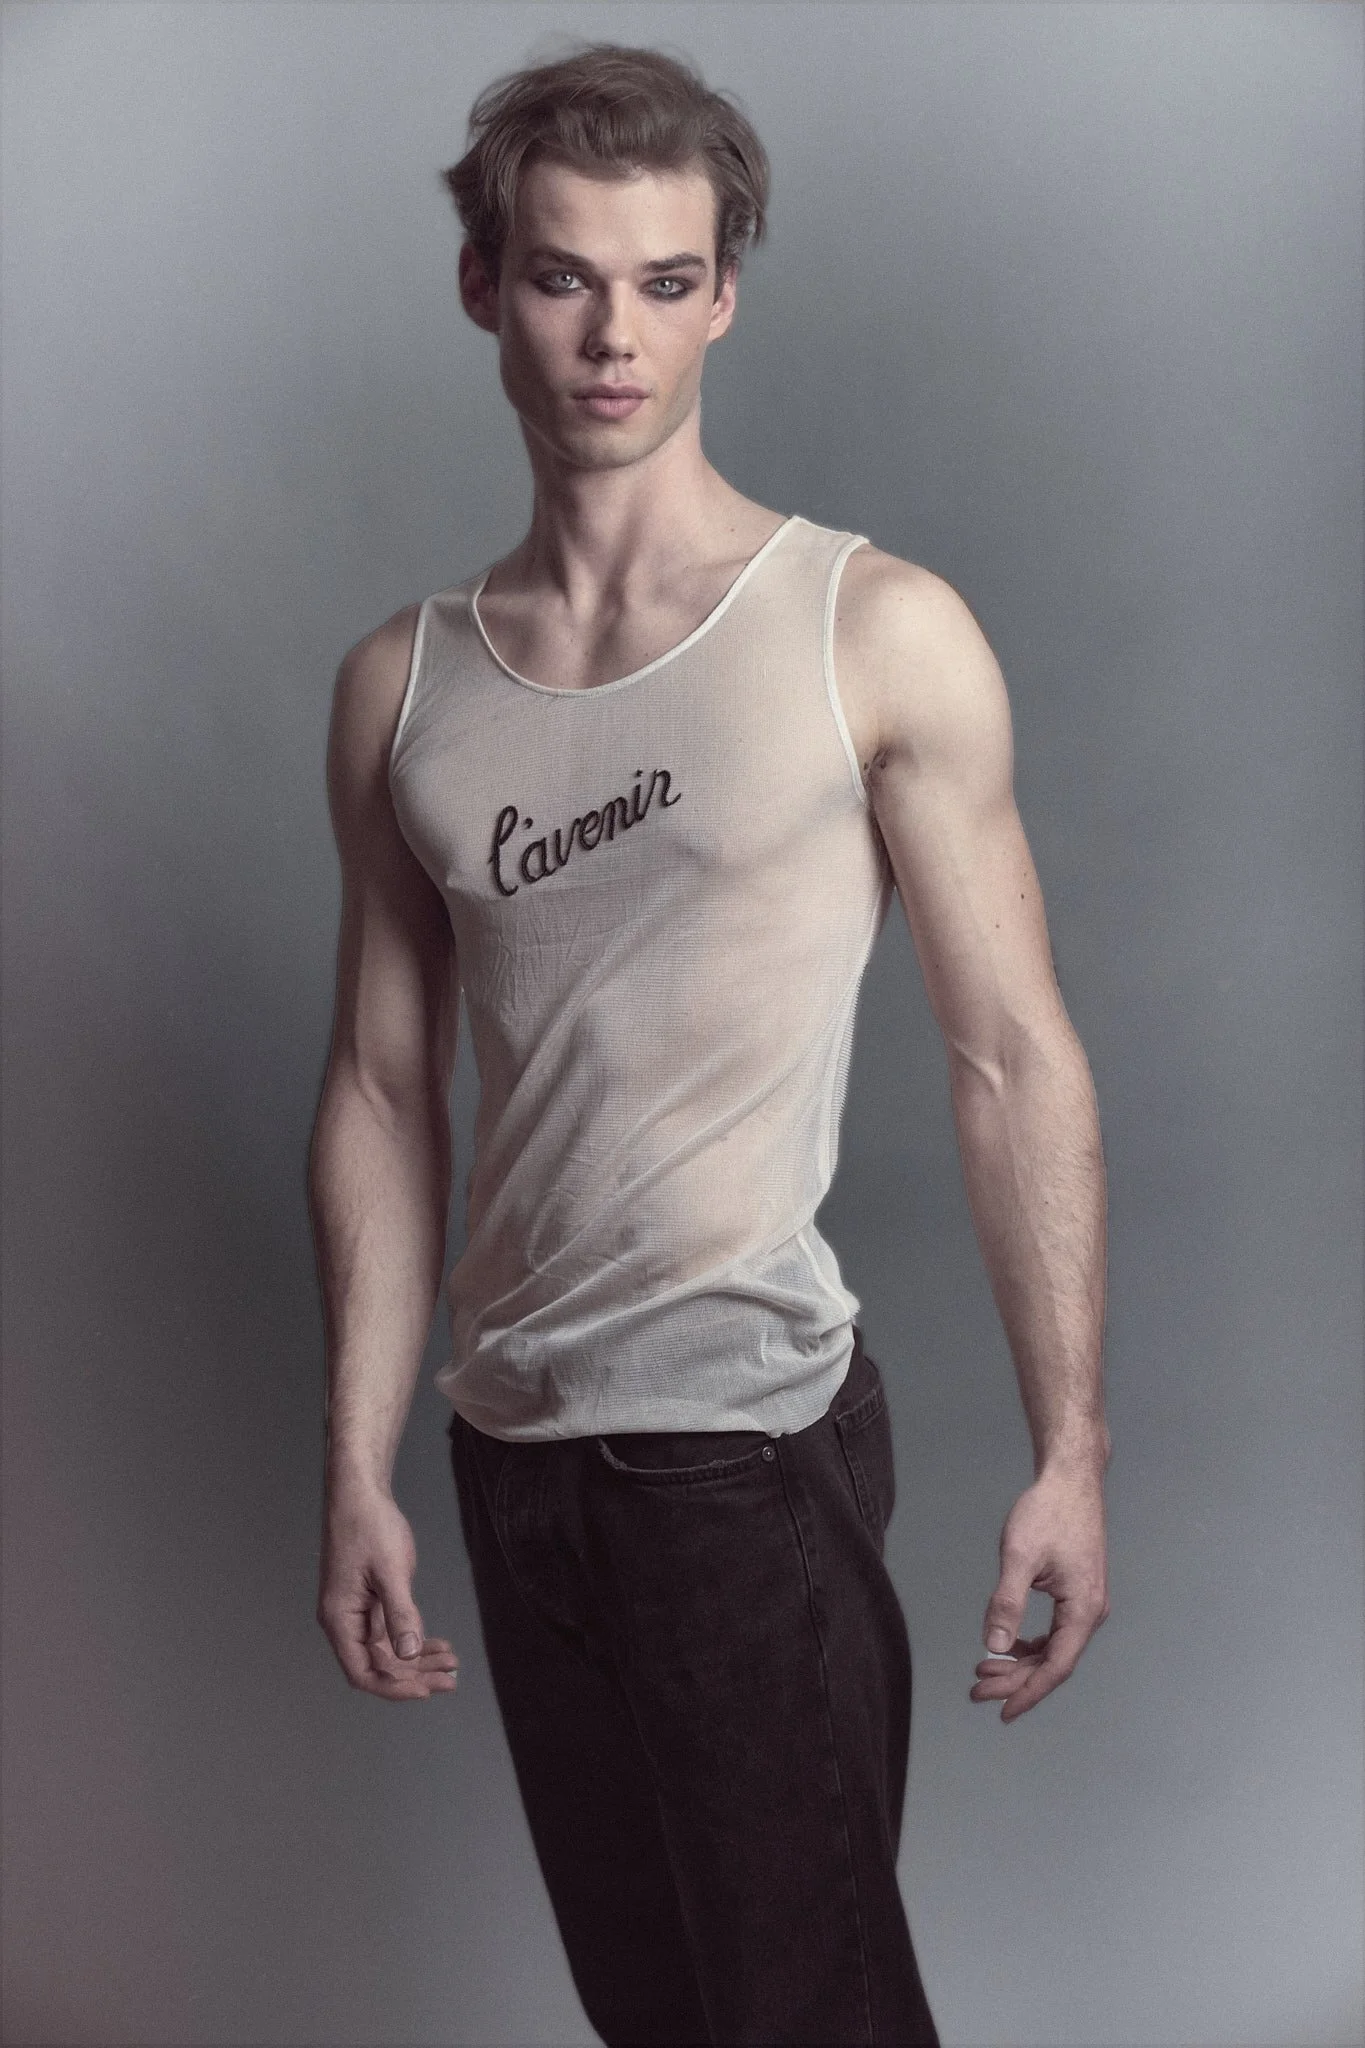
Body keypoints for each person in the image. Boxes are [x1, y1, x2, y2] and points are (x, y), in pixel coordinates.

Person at [309, 38, 1112, 2048]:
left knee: (806, 2020)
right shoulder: (405, 687)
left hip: (736, 1454)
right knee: (660, 2019)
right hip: (515, 1460)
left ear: (723, 293)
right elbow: (385, 1090)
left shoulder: (869, 628)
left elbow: (1009, 1052)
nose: (615, 335)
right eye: (568, 276)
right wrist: (359, 1458)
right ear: (485, 284)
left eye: (667, 284)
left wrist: (1068, 1446)